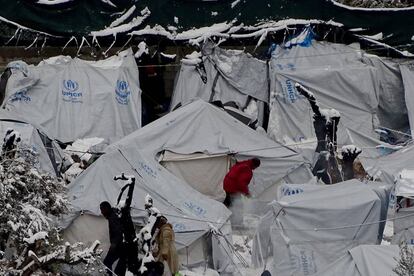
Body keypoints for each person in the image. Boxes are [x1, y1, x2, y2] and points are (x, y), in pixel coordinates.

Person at [100, 201, 126, 276]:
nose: (102, 212)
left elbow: (118, 231)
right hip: (121, 245)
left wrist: (114, 244)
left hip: (118, 245)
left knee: (107, 263)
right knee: (119, 266)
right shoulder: (113, 214)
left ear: (107, 208)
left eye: (102, 210)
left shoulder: (112, 217)